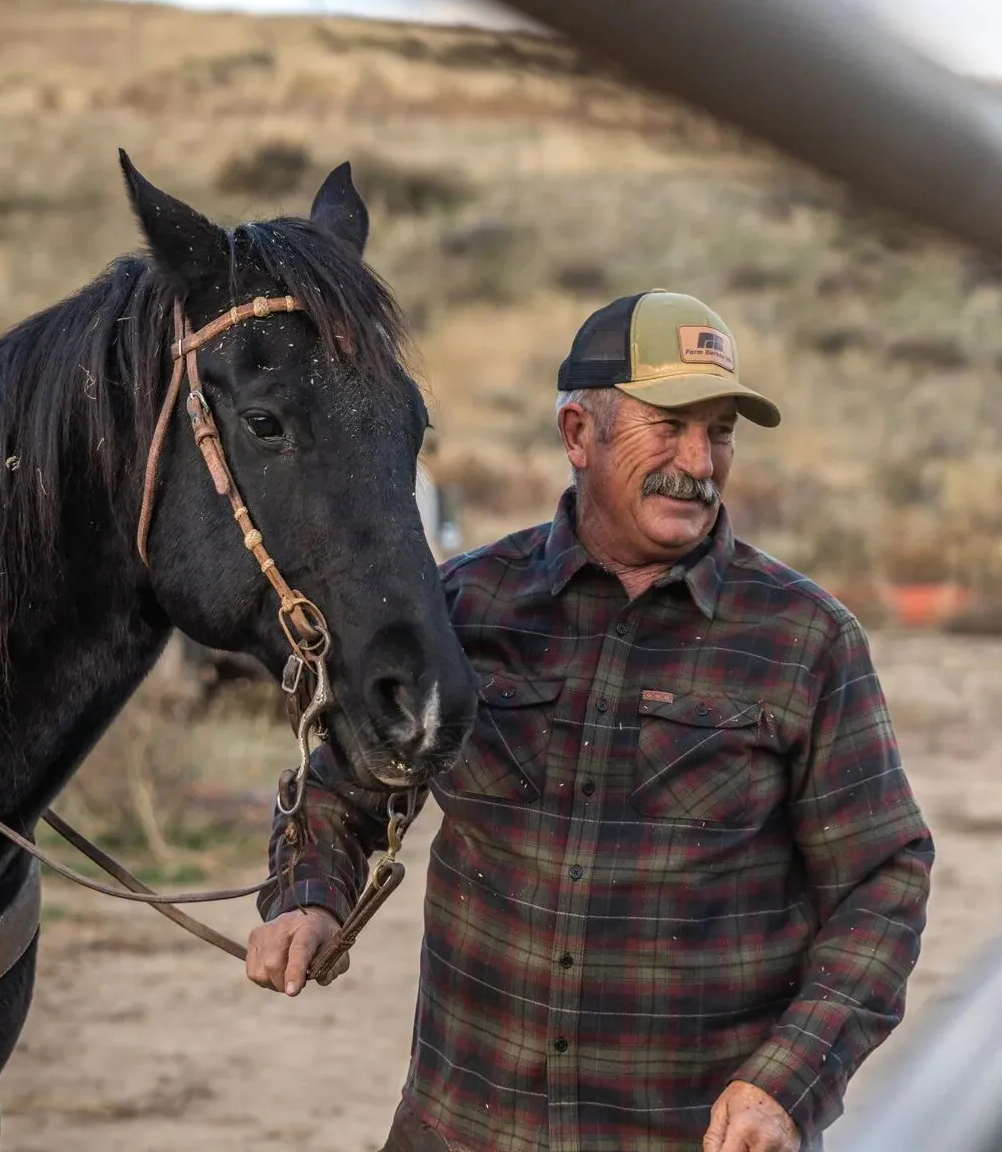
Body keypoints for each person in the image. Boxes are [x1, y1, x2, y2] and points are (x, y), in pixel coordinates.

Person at [245, 290, 933, 1152]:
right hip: (462, 1130)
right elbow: (346, 786)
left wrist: (785, 1081)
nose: (699, 461)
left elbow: (884, 882)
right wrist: (311, 895)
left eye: (719, 430)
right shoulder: (468, 606)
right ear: (578, 434)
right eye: (669, 425)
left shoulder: (805, 640)